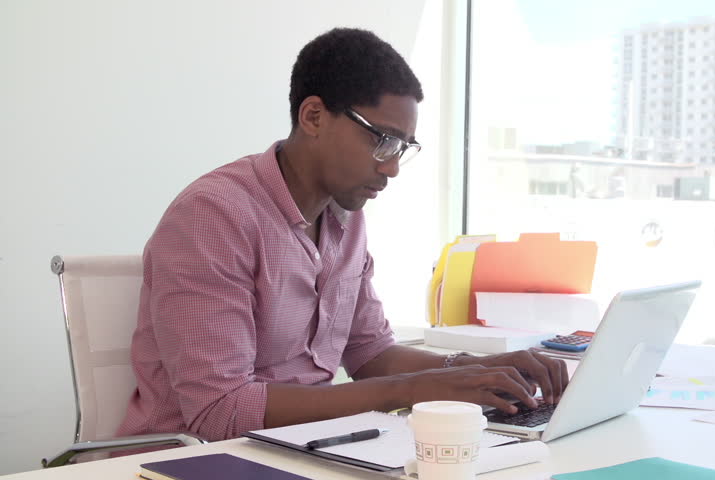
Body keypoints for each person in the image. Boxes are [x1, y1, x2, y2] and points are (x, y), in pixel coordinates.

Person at [118, 27, 568, 442]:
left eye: (402, 149)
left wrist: (480, 369)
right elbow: (220, 412)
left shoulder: (346, 217)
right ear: (313, 116)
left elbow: (370, 354)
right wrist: (414, 389)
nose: (391, 167)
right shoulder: (213, 217)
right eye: (382, 140)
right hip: (193, 460)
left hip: (306, 445)